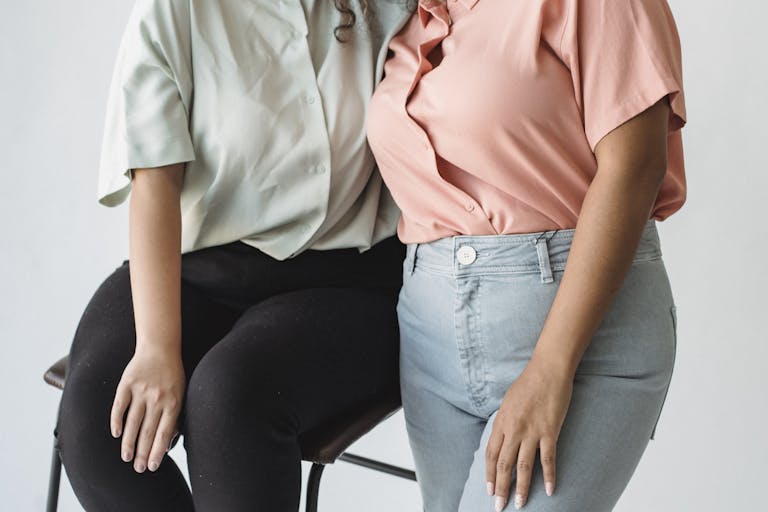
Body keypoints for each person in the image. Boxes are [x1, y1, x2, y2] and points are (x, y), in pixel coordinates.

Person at [53, 1, 412, 510]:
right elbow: (154, 176)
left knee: (231, 399)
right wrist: (157, 347)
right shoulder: (177, 9)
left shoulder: (390, 7)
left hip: (346, 277)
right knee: (96, 420)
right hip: (200, 269)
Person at [366, 0, 686, 510]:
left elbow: (635, 166)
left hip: (577, 342)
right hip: (432, 349)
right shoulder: (410, 20)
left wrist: (549, 368)